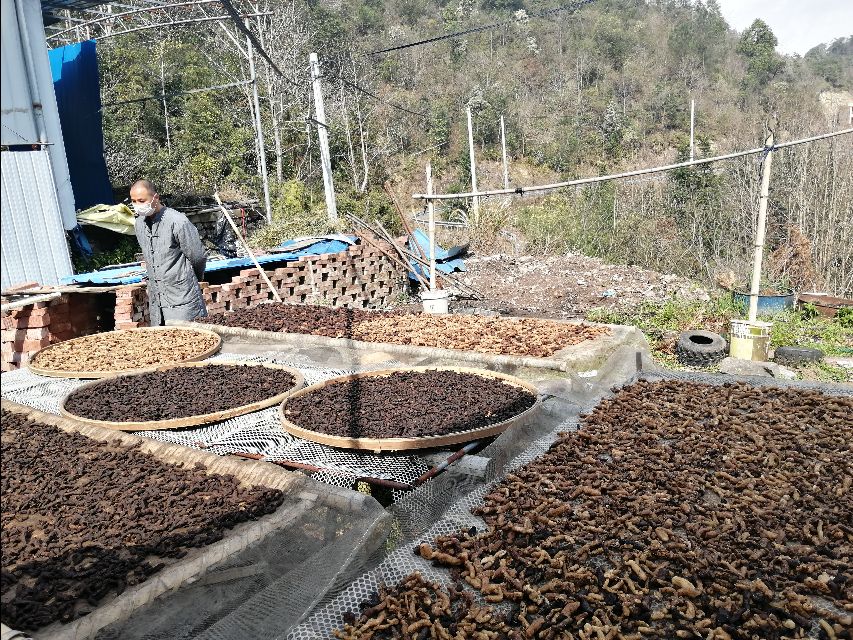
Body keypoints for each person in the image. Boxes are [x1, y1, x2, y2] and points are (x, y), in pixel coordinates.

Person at [130, 180, 208, 325]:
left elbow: (198, 256)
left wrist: (193, 278)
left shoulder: (177, 221)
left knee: (191, 339)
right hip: (157, 300)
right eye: (134, 201)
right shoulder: (139, 224)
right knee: (165, 342)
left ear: (156, 198)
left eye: (142, 200)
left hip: (183, 298)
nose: (138, 205)